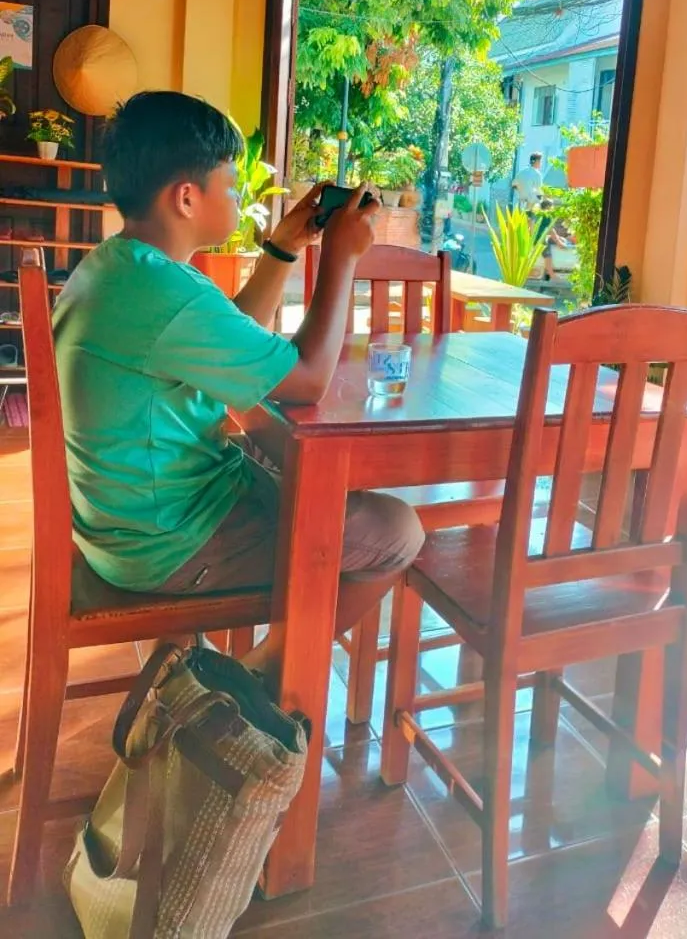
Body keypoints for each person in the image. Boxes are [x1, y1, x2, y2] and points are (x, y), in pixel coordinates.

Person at [53, 92, 424, 688]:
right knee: (396, 530)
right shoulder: (166, 294)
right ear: (185, 197)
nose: (239, 195)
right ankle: (256, 681)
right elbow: (308, 379)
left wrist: (284, 248)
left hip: (125, 522)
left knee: (293, 462)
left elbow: (234, 340)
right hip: (169, 544)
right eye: (231, 184)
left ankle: (233, 671)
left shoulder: (121, 269)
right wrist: (340, 261)